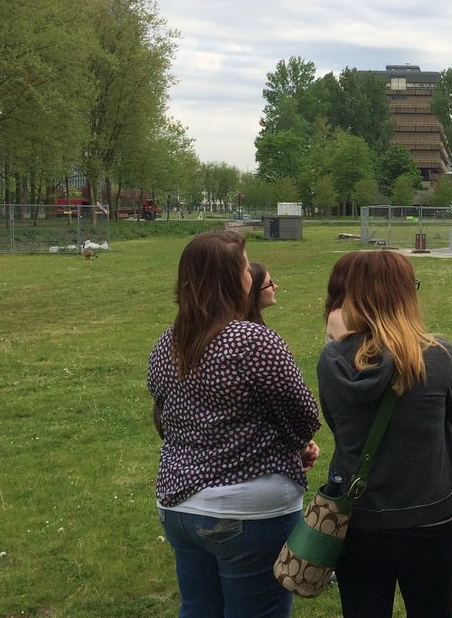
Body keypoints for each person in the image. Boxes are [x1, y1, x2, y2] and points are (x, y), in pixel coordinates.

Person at [148, 230, 321, 618]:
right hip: (247, 509)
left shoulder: (166, 342)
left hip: (178, 506)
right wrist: (297, 445)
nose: (250, 274)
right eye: (245, 267)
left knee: (198, 609)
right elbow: (302, 414)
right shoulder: (252, 340)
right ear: (233, 279)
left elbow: (163, 415)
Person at [318, 250, 452, 618]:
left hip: (358, 514)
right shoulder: (438, 354)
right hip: (428, 510)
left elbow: (336, 425)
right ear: (406, 295)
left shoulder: (332, 359)